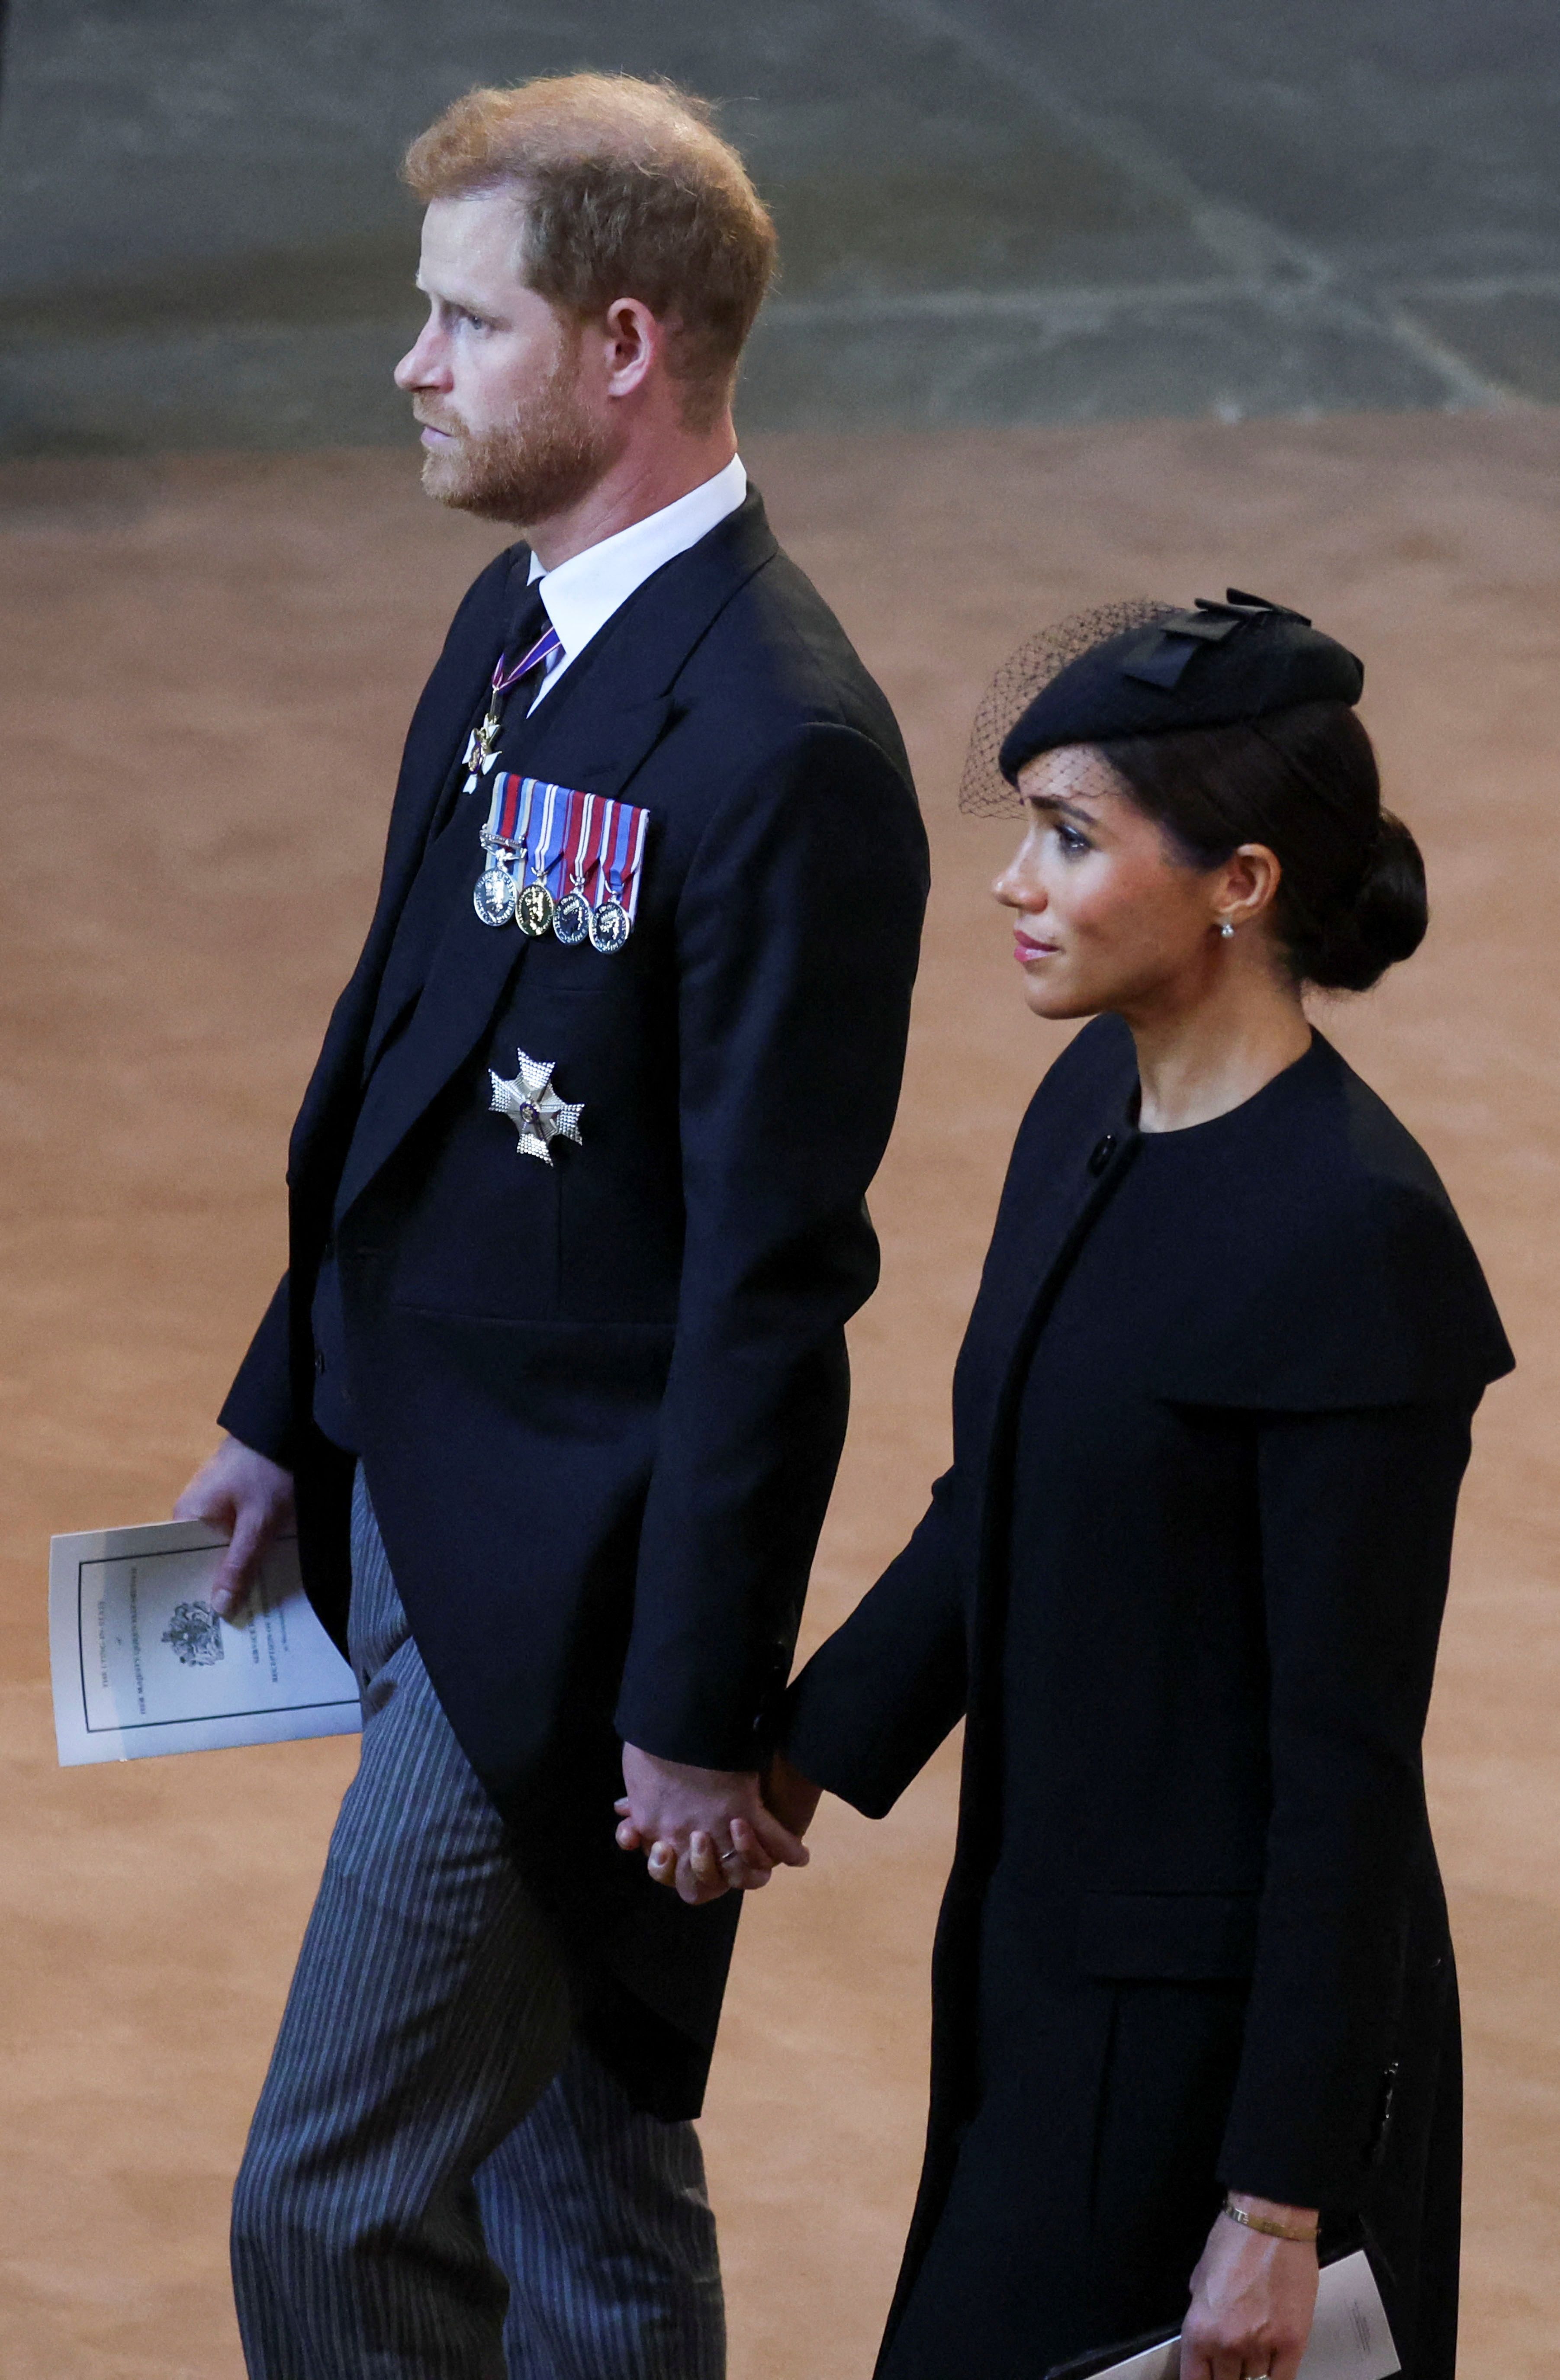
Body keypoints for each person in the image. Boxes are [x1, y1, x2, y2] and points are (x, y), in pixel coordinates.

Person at [172, 73, 928, 2380]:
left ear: (620, 342)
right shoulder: (519, 629)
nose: (409, 363)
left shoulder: (778, 741)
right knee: (574, 2165)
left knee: (331, 2191)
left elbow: (769, 1274)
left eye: (456, 321)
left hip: (569, 1609)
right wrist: (288, 1398)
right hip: (407, 1494)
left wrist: (696, 1710)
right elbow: (395, 1058)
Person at [744, 595, 1509, 2379]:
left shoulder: (1354, 1242)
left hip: (1213, 2076)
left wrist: (1276, 2207)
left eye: (1070, 837)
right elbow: (997, 1493)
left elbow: (1342, 1770)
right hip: (1041, 1984)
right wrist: (795, 1756)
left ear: (1237, 882)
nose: (1015, 881)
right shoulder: (1091, 1104)